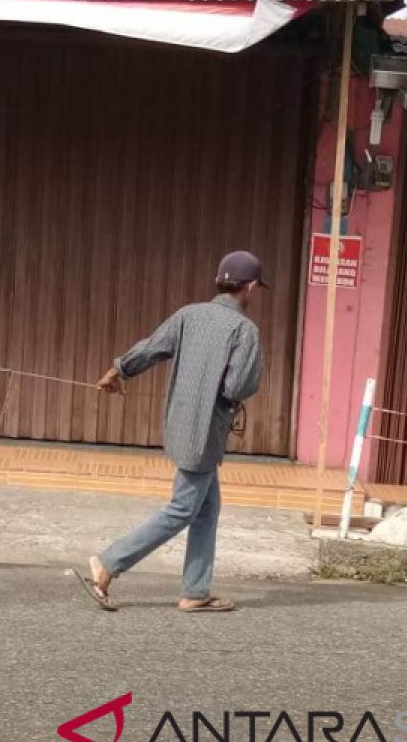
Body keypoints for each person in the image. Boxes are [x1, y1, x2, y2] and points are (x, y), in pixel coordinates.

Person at [79, 250, 264, 612]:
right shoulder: (245, 330)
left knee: (207, 509)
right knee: (182, 509)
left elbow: (152, 348)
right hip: (206, 430)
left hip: (179, 423)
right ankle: (109, 564)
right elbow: (237, 386)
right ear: (251, 287)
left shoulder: (188, 315)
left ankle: (195, 591)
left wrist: (119, 370)